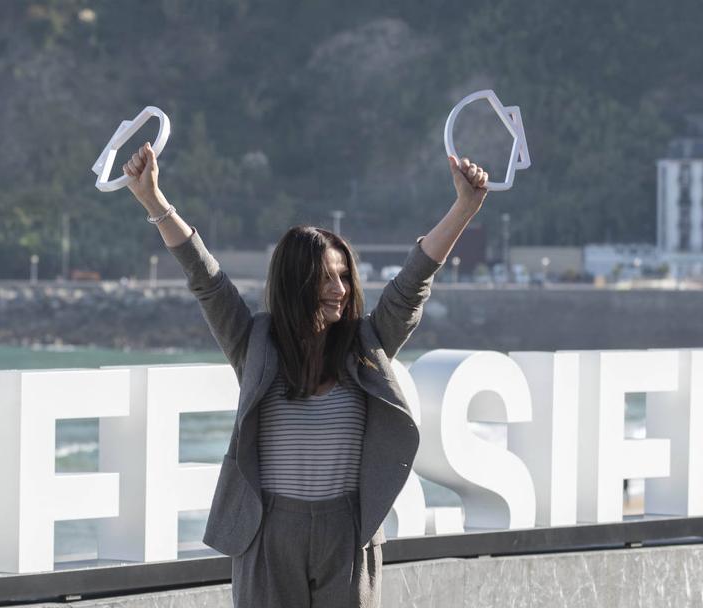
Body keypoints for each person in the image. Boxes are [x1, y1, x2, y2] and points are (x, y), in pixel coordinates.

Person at [120, 141, 489, 607]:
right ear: (296, 282)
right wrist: (153, 200)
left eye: (343, 276)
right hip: (269, 532)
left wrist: (465, 206)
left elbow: (412, 284)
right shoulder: (254, 343)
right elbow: (206, 280)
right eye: (325, 277)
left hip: (347, 533)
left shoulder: (366, 345)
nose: (340, 288)